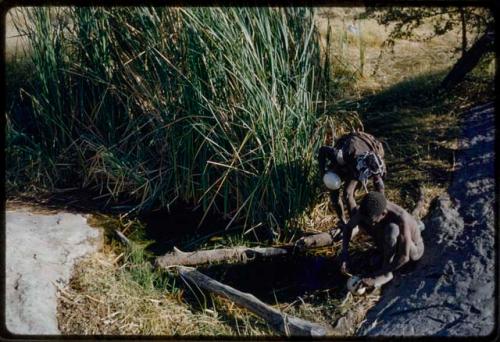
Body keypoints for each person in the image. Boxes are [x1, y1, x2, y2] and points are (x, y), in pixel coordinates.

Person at [339, 191, 425, 289]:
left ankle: (387, 274)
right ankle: (385, 259)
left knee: (392, 229)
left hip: (413, 249)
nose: (371, 224)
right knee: (376, 226)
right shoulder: (369, 208)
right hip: (390, 241)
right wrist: (345, 253)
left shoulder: (400, 219)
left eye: (373, 221)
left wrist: (377, 274)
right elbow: (348, 227)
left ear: (384, 213)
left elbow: (404, 257)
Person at [318, 131, 386, 225]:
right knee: (339, 191)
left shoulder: (376, 162)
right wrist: (322, 173)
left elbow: (380, 186)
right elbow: (322, 150)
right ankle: (345, 221)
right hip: (347, 160)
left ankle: (356, 220)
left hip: (364, 146)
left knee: (348, 193)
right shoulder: (341, 156)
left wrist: (382, 208)